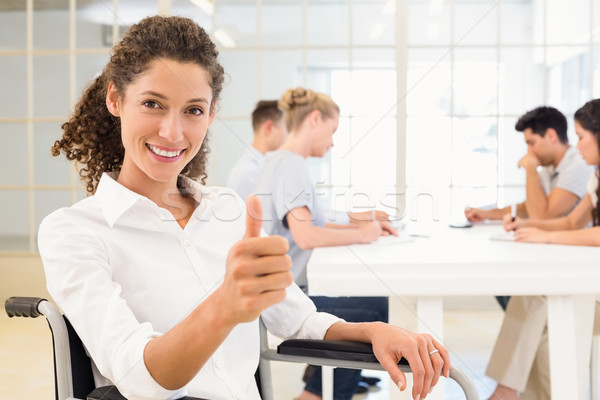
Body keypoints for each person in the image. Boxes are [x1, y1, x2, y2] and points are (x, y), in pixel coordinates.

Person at [38, 15, 449, 400]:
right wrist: (225, 306)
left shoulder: (229, 210)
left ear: (212, 113)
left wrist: (373, 331)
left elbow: (298, 321)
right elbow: (140, 380)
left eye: (193, 110)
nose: (172, 131)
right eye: (152, 103)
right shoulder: (73, 232)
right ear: (115, 99)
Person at [254, 87, 400, 400]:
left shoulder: (281, 161)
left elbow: (314, 220)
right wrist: (362, 234)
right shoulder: (291, 164)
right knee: (374, 306)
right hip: (283, 298)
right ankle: (316, 395)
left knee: (369, 302)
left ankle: (319, 386)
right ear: (315, 119)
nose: (332, 142)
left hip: (279, 288)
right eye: (332, 131)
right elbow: (307, 234)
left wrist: (362, 220)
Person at [485, 98, 600, 400]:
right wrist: (531, 229)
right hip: (588, 279)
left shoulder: (579, 168)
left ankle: (507, 391)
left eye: (581, 137)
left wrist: (544, 233)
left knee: (539, 297)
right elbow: (571, 222)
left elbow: (564, 224)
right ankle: (516, 392)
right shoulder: (596, 176)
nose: (578, 145)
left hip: (592, 289)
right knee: (541, 305)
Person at [465, 106, 593, 223]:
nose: (529, 152)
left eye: (531, 143)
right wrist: (486, 214)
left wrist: (531, 169)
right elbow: (530, 207)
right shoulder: (550, 167)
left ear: (551, 136)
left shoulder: (579, 164)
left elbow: (541, 216)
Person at [227, 100, 287, 199]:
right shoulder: (249, 173)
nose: (288, 137)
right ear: (269, 128)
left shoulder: (260, 168)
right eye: (287, 129)